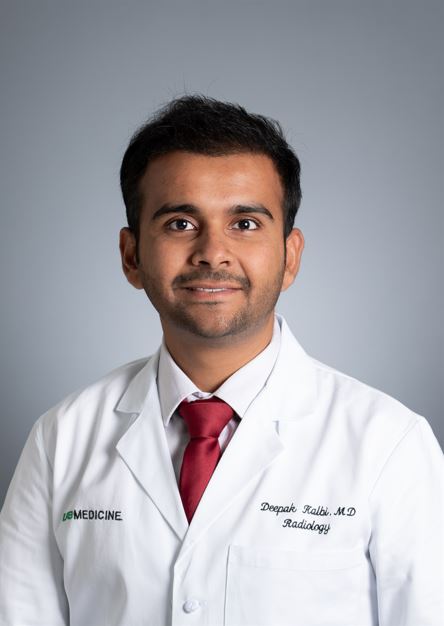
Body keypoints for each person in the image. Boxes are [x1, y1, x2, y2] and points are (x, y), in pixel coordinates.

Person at [0, 95, 442, 626]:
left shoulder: (388, 445)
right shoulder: (61, 440)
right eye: (180, 223)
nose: (212, 252)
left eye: (246, 224)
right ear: (132, 256)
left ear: (290, 257)